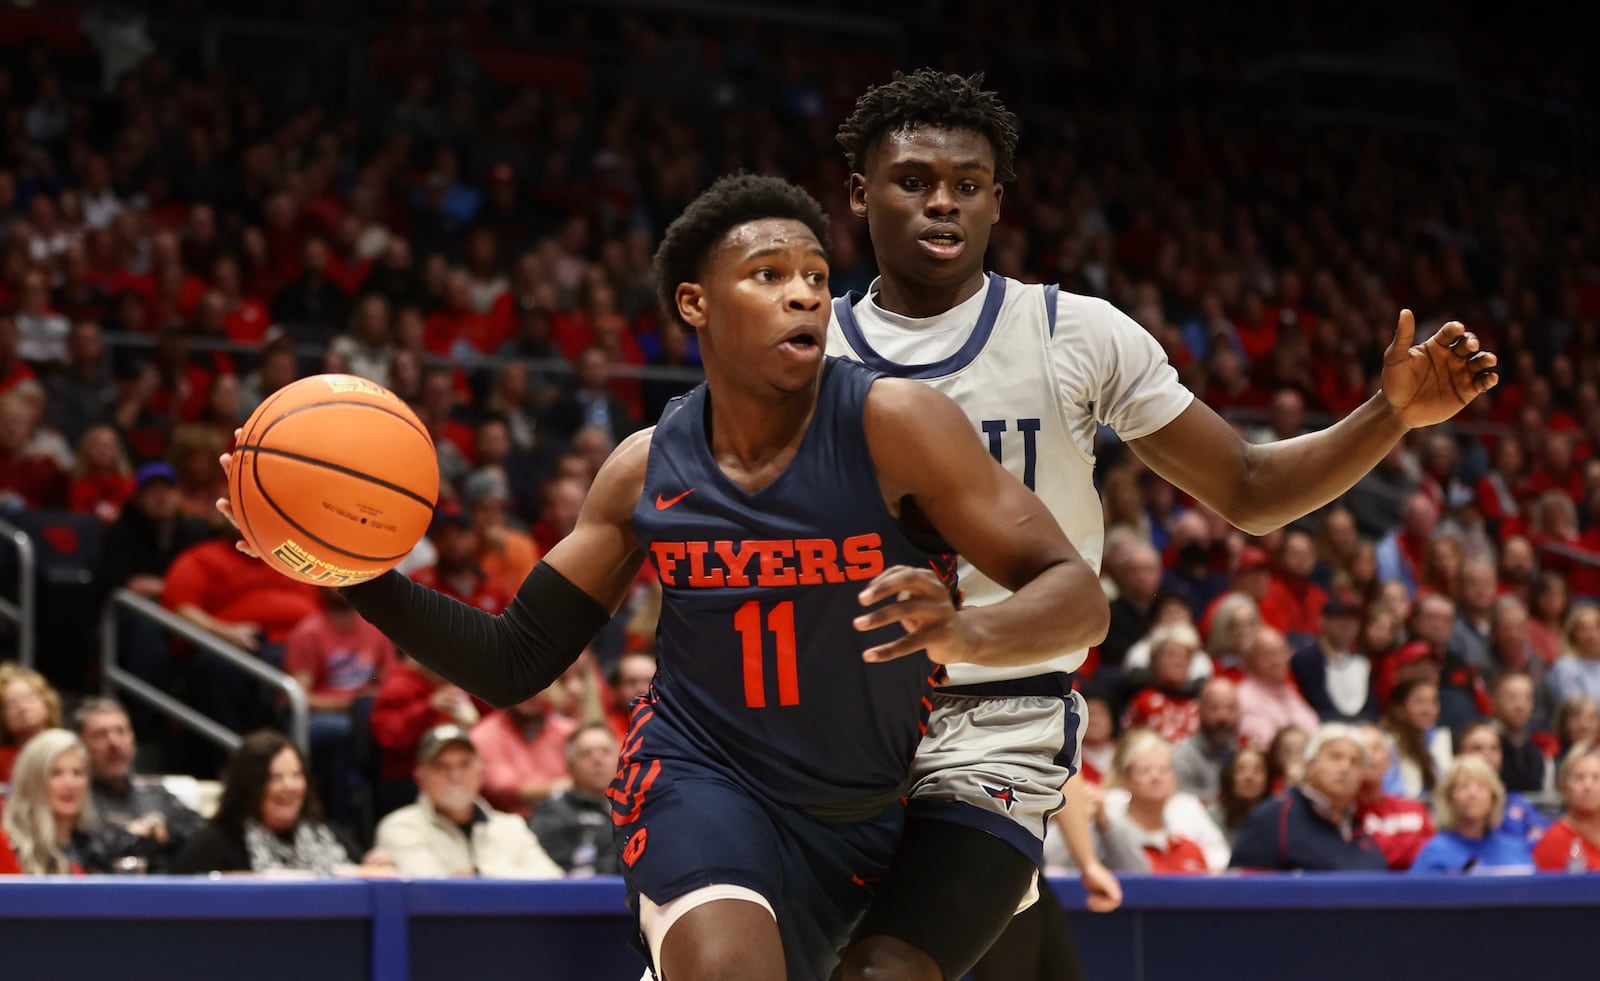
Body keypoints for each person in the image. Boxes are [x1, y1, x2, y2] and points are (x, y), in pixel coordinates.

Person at [221, 174, 1104, 981]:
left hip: (874, 799)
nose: (803, 290)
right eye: (767, 274)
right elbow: (513, 659)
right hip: (704, 779)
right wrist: (349, 568)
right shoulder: (644, 469)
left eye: (813, 273)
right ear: (695, 302)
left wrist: (966, 633)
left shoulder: (896, 423)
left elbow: (1076, 593)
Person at [829, 69, 1494, 980]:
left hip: (1000, 715)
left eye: (968, 184)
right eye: (912, 180)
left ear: (997, 201)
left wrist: (1387, 417)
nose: (942, 200)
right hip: (829, 716)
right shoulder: (802, 349)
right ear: (861, 192)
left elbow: (1251, 488)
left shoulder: (1077, 332)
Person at [374, 724, 562, 879]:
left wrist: (475, 875)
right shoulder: (401, 826)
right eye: (441, 767)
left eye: (464, 765)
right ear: (420, 777)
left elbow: (554, 881)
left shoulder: (512, 826)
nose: (455, 776)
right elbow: (430, 892)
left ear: (480, 772)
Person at [170, 730, 366, 876]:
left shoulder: (329, 834)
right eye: (275, 777)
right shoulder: (214, 845)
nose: (290, 786)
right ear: (248, 786)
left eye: (297, 775)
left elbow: (367, 871)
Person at [1228, 723, 1389, 871]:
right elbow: (1239, 891)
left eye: (1355, 762)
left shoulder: (1364, 827)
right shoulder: (1273, 818)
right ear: (1310, 765)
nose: (1345, 767)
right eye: (1335, 757)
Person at [76, 697, 205, 872]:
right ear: (81, 744)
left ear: (133, 739)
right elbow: (92, 850)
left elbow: (200, 831)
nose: (114, 743)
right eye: (101, 735)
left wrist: (168, 832)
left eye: (121, 732)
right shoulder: (76, 799)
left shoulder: (154, 794)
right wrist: (143, 837)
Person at [1, 729, 137, 874]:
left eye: (77, 773)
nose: (70, 784)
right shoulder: (8, 846)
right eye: (56, 773)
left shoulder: (99, 847)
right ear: (33, 781)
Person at [1409, 756, 1534, 873]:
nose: (1472, 794)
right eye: (1463, 787)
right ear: (1449, 799)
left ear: (1493, 798)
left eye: (1481, 787)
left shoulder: (1515, 849)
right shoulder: (1434, 853)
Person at [529, 721, 624, 876]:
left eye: (605, 752)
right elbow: (548, 874)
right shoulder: (553, 813)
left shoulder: (640, 809)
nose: (597, 760)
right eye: (586, 753)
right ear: (570, 765)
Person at [1352, 725, 1434, 870]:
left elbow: (1431, 855)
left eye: (1376, 748)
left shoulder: (1415, 809)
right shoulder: (1343, 813)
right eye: (1362, 748)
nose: (1370, 755)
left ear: (1390, 760)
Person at [1533, 741, 1600, 872]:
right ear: (1564, 786)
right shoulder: (1551, 842)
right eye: (1579, 778)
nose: (1588, 786)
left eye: (1596, 778)